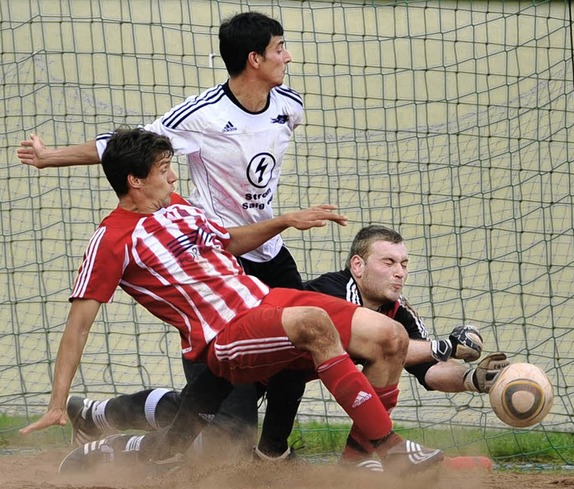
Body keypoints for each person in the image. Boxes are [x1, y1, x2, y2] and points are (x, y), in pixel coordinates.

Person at [21, 127, 444, 475]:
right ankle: (390, 447)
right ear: (134, 180)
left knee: (391, 337)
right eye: (165, 169)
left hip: (266, 301)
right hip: (223, 337)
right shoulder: (111, 239)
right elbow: (78, 326)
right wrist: (57, 402)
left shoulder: (181, 207)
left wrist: (285, 220)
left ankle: (355, 468)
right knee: (229, 435)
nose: (173, 178)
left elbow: (230, 242)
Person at [18, 11, 314, 459]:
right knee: (225, 424)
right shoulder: (198, 118)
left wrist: (282, 221)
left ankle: (273, 453)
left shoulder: (289, 107)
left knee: (303, 351)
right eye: (279, 48)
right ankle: (109, 425)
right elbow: (128, 146)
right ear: (254, 59)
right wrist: (49, 157)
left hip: (263, 250)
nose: (288, 56)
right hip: (220, 259)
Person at [53, 224, 507, 471]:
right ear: (357, 265)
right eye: (388, 262)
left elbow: (425, 369)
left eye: (404, 263)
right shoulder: (330, 292)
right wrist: (444, 344)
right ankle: (98, 417)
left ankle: (356, 467)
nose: (399, 272)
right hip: (248, 362)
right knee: (216, 444)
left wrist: (473, 379)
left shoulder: (397, 317)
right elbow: (410, 349)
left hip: (283, 383)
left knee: (240, 451)